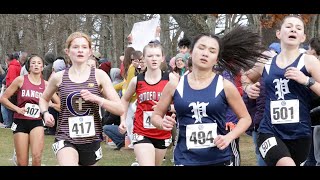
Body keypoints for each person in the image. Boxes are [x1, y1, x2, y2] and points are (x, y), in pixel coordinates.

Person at [151, 26, 266, 166]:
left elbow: (245, 119)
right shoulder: (175, 85)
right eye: (201, 48)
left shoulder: (225, 86)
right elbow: (155, 116)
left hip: (218, 158)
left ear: (216, 59)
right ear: (191, 52)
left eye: (212, 51)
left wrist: (229, 137)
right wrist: (162, 123)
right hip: (184, 158)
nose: (205, 53)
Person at [242, 15, 320, 166]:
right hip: (269, 130)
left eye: (298, 28)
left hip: (300, 133)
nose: (293, 29)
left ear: (303, 37)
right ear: (278, 33)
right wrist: (248, 88)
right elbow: (246, 78)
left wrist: (306, 80)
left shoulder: (309, 61)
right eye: (289, 26)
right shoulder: (266, 62)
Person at [39, 31, 124, 166]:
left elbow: (120, 108)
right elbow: (43, 99)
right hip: (65, 136)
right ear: (67, 51)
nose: (80, 50)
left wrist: (97, 99)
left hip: (91, 139)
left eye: (84, 47)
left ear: (90, 51)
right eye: (75, 47)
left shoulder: (99, 75)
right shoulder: (58, 77)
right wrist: (45, 113)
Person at [118, 42, 174, 166]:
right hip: (141, 131)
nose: (154, 59)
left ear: (162, 58)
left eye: (157, 55)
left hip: (162, 131)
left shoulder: (170, 79)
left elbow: (182, 104)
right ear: (143, 58)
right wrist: (122, 119)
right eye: (150, 56)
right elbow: (125, 99)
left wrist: (168, 108)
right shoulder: (137, 80)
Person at [0, 54, 60, 166]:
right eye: (33, 63)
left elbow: (60, 105)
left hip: (37, 122)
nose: (36, 65)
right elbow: (3, 99)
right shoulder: (20, 80)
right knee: (22, 162)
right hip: (20, 122)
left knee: (37, 158)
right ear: (29, 66)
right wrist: (17, 109)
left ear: (42, 67)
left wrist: (50, 105)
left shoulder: (46, 85)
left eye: (39, 63)